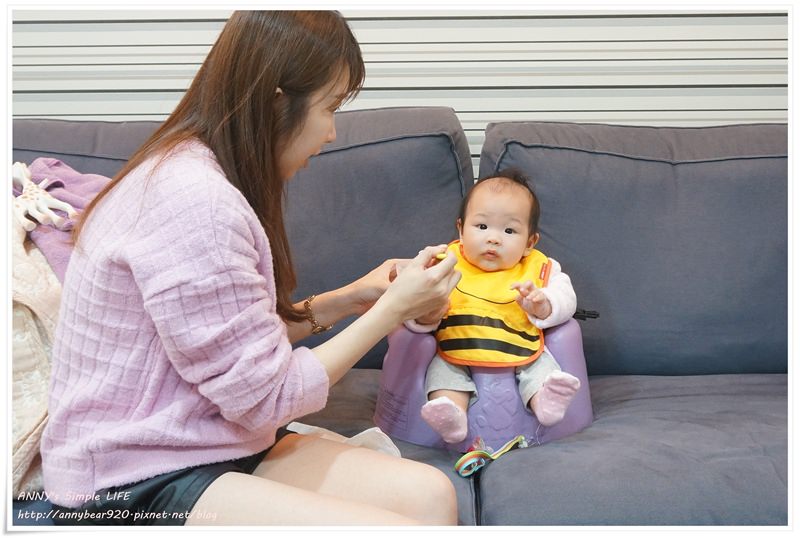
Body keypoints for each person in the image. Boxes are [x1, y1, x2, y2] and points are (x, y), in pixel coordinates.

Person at [40, 11, 462, 526]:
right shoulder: (197, 203)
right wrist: (392, 310)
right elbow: (268, 398)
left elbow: (233, 351)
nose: (331, 133)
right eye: (330, 108)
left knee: (432, 496)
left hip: (204, 436)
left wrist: (353, 297)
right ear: (275, 100)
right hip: (130, 474)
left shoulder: (192, 170)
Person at [406, 170, 581, 444]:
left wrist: (543, 304)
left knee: (541, 366)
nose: (494, 239)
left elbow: (567, 299)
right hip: (457, 348)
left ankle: (546, 401)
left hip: (519, 346)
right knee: (442, 372)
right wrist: (427, 314)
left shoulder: (538, 269)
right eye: (482, 227)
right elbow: (406, 307)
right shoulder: (442, 263)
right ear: (461, 230)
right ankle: (451, 414)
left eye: (510, 230)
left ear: (530, 242)